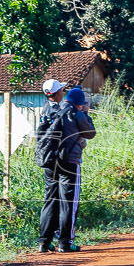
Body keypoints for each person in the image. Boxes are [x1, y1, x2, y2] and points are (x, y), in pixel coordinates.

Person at [39, 86, 96, 253]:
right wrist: (84, 112)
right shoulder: (76, 113)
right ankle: (65, 242)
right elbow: (90, 133)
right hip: (69, 163)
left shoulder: (51, 109)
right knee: (68, 202)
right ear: (79, 103)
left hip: (49, 161)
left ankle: (44, 242)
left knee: (50, 200)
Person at [38, 78, 67, 252]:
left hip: (45, 157)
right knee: (63, 200)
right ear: (56, 94)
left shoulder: (44, 109)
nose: (63, 92)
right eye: (61, 90)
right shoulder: (58, 111)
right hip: (57, 158)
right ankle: (63, 239)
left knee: (50, 199)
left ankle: (44, 241)